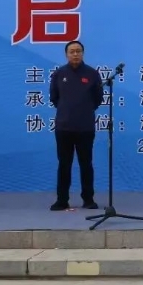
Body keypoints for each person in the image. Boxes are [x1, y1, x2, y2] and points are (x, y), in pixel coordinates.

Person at [48, 40, 103, 211]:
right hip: (63, 127)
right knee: (64, 164)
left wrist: (83, 111)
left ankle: (88, 199)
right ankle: (62, 200)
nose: (75, 54)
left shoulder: (92, 74)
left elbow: (98, 99)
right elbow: (54, 98)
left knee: (86, 164)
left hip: (85, 127)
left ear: (83, 53)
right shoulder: (59, 74)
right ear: (66, 54)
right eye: (72, 51)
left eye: (78, 51)